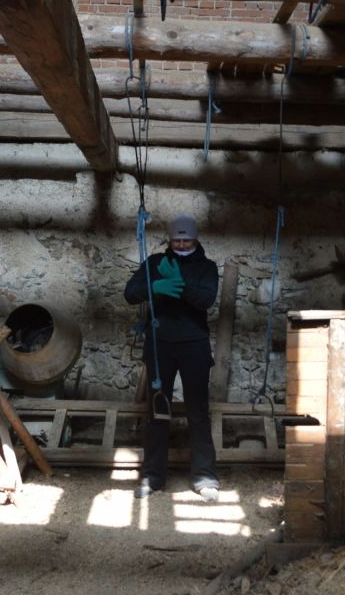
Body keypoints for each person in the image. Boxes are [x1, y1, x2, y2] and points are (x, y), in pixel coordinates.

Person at [124, 214, 221, 501]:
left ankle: (205, 477)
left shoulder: (207, 268)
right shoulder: (155, 263)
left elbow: (206, 300)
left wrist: (180, 283)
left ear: (195, 239)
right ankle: (153, 477)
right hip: (160, 345)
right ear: (170, 239)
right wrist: (153, 287)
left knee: (198, 411)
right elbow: (130, 294)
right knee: (157, 411)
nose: (180, 244)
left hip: (194, 345)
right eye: (176, 240)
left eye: (186, 240)